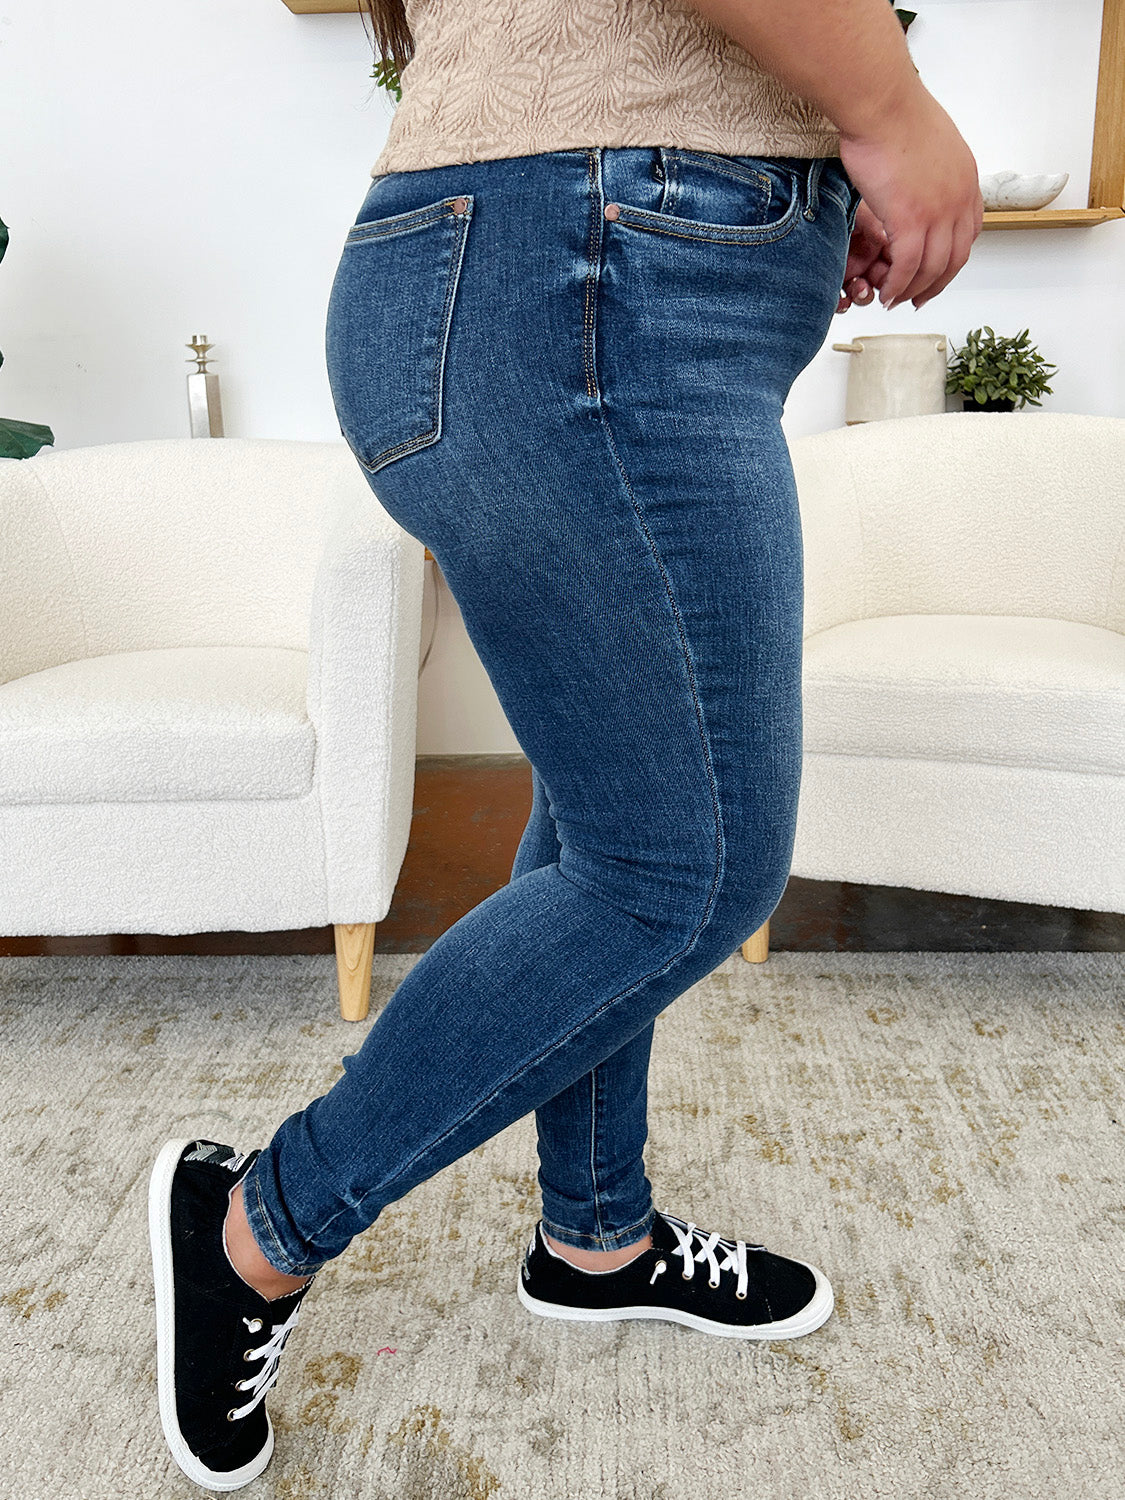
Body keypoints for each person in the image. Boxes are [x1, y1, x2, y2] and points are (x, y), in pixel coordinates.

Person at [147, 0, 983, 1488]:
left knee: (618, 825)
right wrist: (890, 112)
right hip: (592, 267)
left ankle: (594, 1236)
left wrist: (803, 167)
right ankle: (258, 1226)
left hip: (561, 263)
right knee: (688, 868)